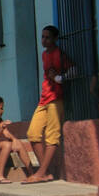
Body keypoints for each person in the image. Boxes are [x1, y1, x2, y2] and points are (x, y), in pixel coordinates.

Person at [24, 25, 75, 183]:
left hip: (56, 98)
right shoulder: (45, 55)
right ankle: (46, 171)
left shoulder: (59, 54)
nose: (44, 40)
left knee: (52, 136)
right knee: (33, 133)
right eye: (43, 37)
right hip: (44, 98)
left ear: (55, 39)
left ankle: (42, 172)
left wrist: (59, 78)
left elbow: (73, 70)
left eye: (47, 37)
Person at [0, 95, 36, 184]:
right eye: (1, 108)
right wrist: (1, 128)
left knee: (18, 143)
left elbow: (6, 133)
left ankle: (32, 174)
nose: (3, 111)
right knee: (6, 144)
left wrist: (15, 140)